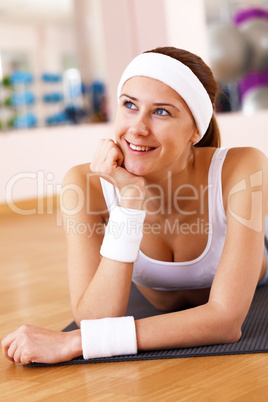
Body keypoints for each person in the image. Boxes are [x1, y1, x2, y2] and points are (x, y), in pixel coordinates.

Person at [2, 47, 268, 365]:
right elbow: (95, 319)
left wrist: (76, 342)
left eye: (161, 112)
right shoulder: (84, 184)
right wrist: (129, 201)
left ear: (196, 129)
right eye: (130, 105)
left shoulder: (243, 167)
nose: (138, 128)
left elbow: (225, 322)